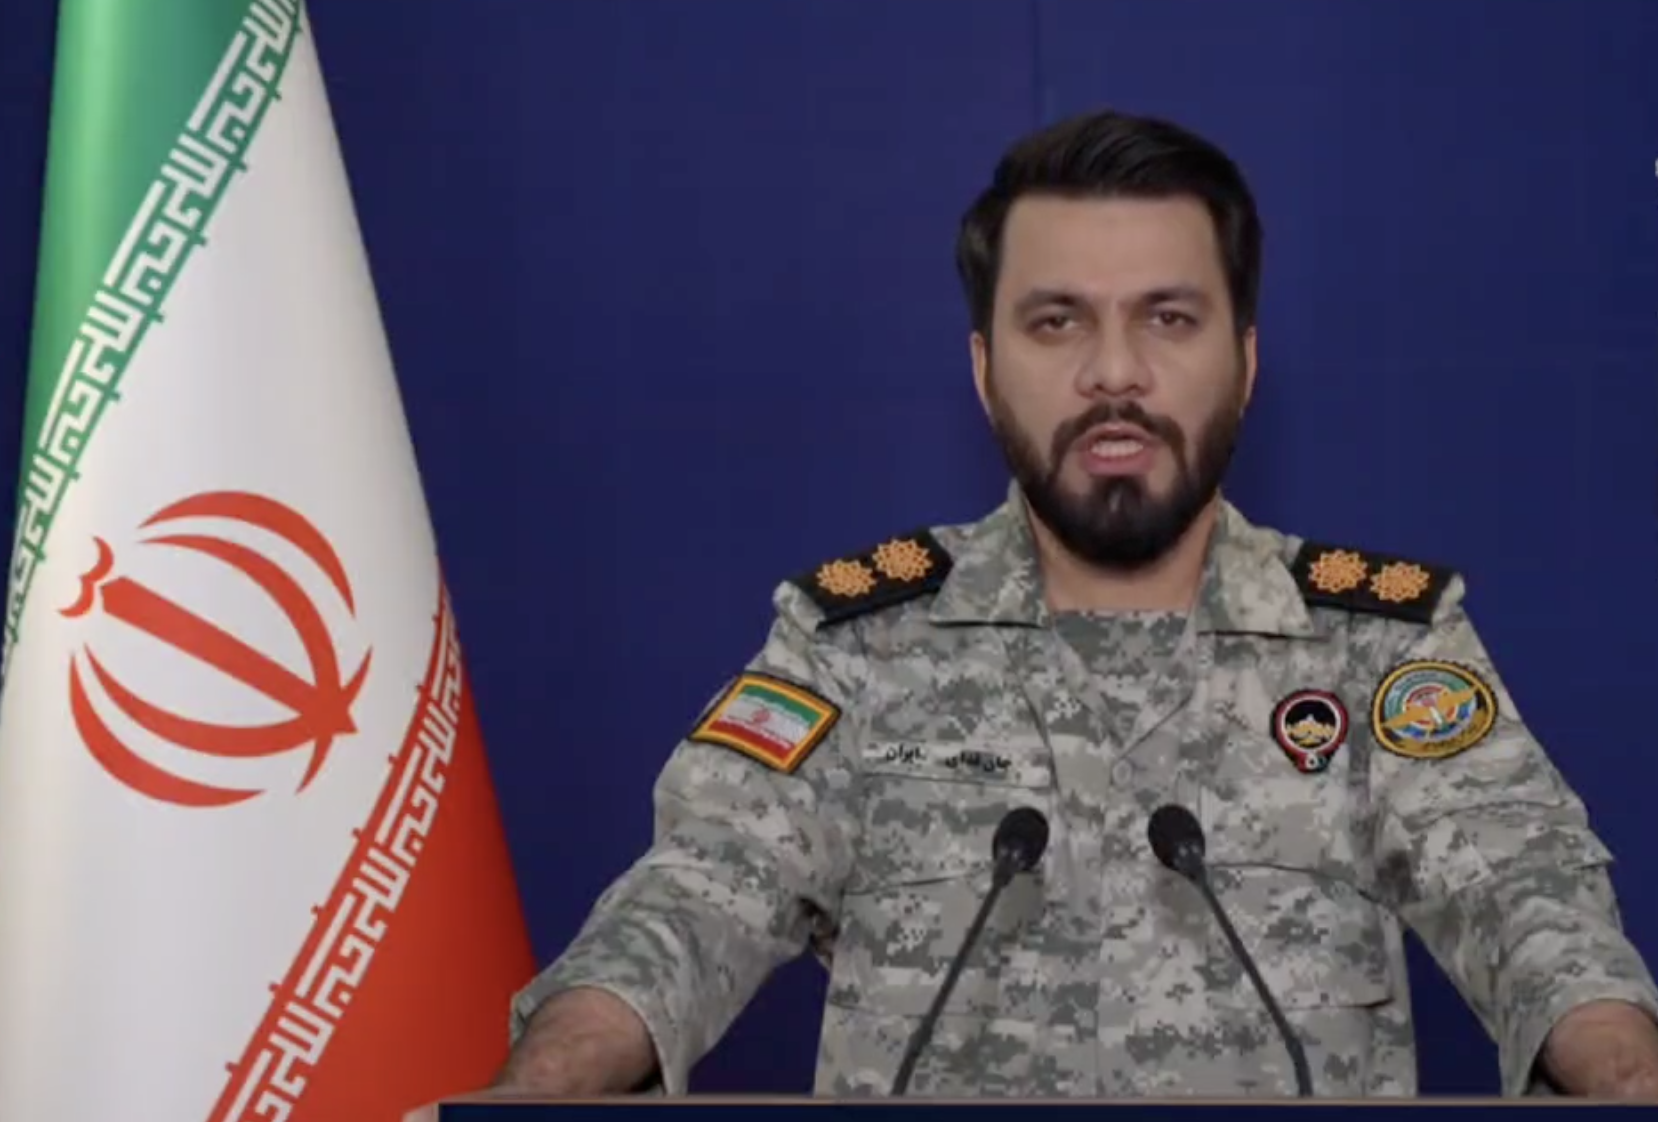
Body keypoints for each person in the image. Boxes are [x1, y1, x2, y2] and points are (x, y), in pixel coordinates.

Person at [407, 108, 1658, 1113]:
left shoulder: (1377, 643)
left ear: (1243, 362)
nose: (1113, 373)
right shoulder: (855, 645)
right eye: (1056, 323)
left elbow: (1524, 897)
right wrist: (537, 1093)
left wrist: (1627, 1078)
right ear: (982, 367)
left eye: (1167, 318)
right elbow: (698, 893)